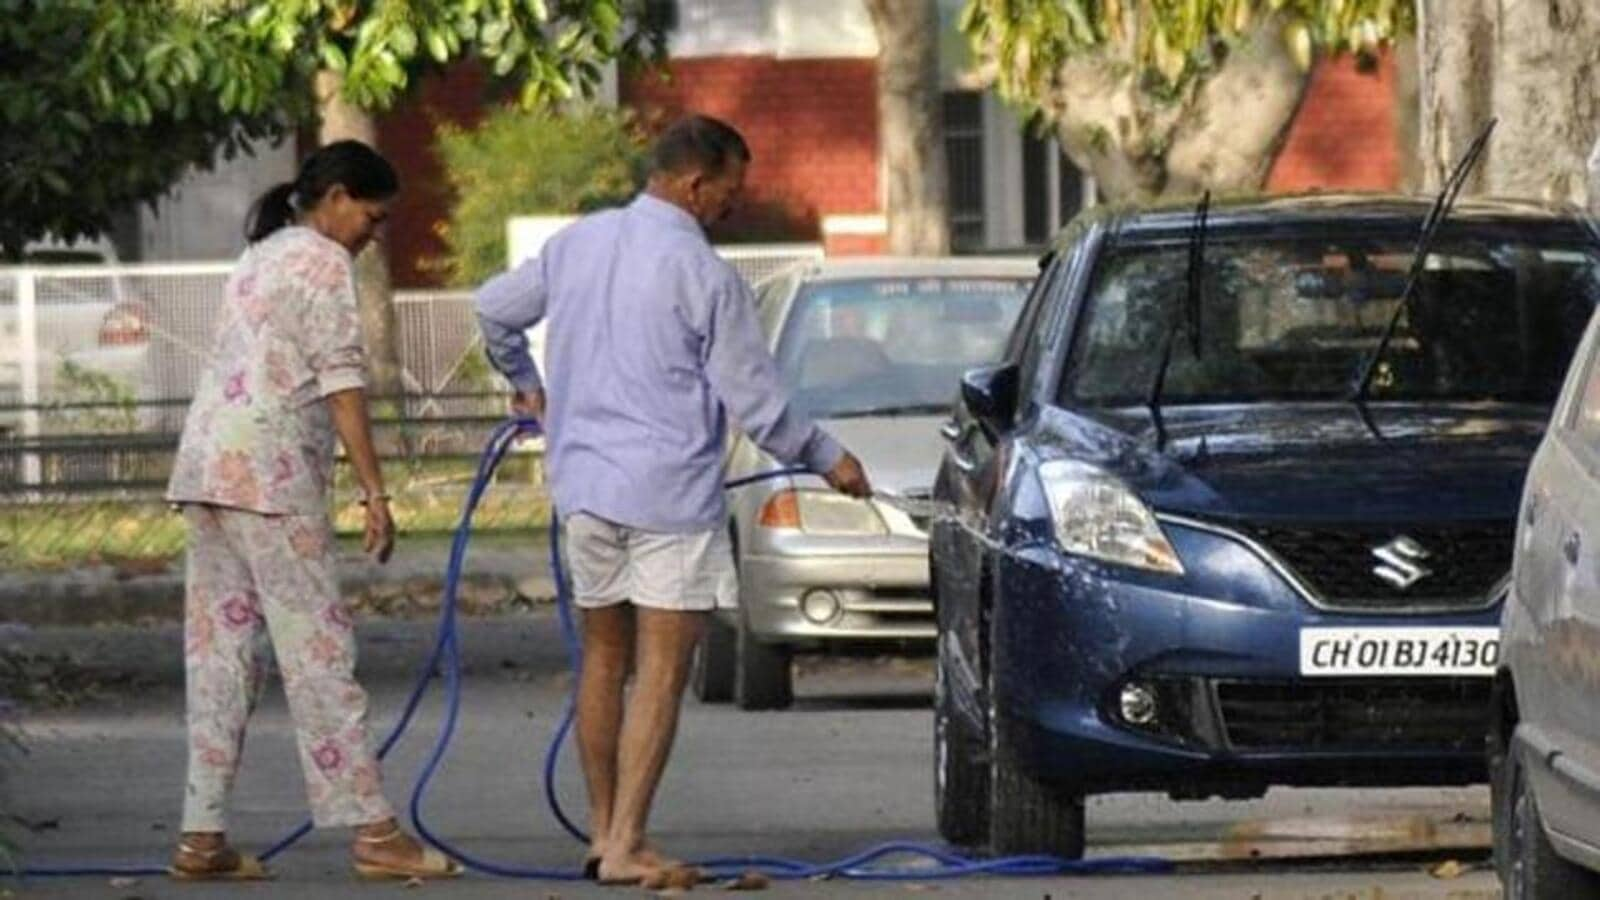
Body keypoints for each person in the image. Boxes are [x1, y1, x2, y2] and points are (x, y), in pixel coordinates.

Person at [475, 114, 872, 885]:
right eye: (731, 189)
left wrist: (525, 383)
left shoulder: (577, 243)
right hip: (667, 497)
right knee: (659, 672)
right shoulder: (706, 275)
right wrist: (830, 459)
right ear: (695, 185)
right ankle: (627, 843)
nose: (735, 203)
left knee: (601, 658)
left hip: (584, 489)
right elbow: (756, 402)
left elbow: (494, 309)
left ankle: (602, 836)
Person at [164, 140, 458, 882]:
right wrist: (375, 490)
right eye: (371, 214)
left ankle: (201, 837)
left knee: (218, 656)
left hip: (206, 466)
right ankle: (374, 831)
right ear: (334, 199)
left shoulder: (259, 254)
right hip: (271, 475)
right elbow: (341, 380)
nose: (373, 232)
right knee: (318, 653)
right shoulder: (324, 262)